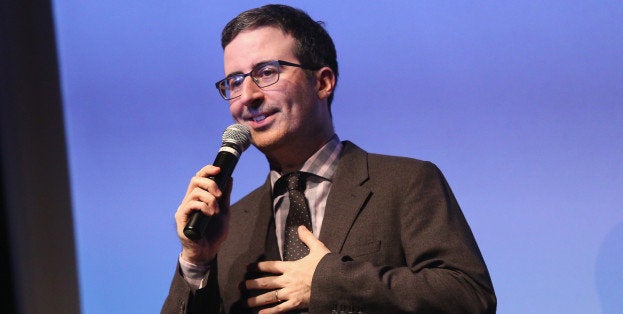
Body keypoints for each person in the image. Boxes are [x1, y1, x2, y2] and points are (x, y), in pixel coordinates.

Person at [162, 4, 496, 313]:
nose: (247, 96)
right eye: (234, 82)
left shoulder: (406, 183)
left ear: (323, 82)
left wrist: (328, 281)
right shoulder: (228, 226)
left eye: (266, 72)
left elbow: (470, 296)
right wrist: (196, 262)